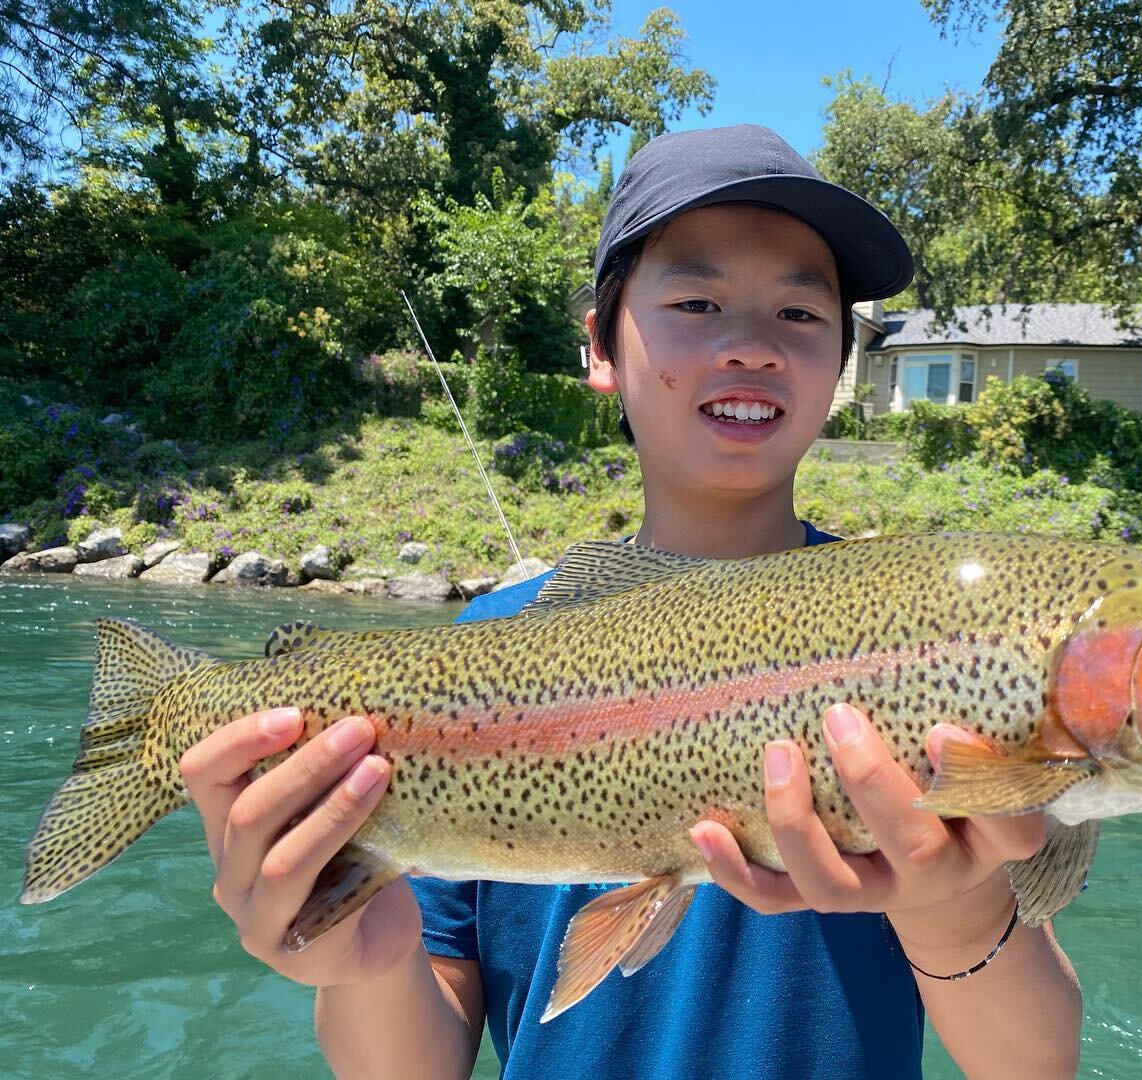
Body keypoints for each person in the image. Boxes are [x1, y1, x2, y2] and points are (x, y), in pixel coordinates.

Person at [178, 124, 1083, 1079]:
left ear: (840, 365)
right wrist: (352, 961)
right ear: (600, 349)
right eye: (697, 302)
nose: (753, 347)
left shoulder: (948, 656)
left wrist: (955, 908)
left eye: (801, 315)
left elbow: (1032, 1066)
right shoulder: (483, 659)